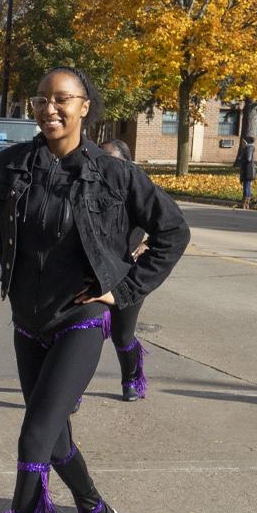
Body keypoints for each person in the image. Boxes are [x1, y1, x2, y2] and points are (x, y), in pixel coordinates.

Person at [0, 69, 189, 513]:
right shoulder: (10, 167)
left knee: (33, 436)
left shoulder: (114, 174)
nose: (50, 109)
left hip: (82, 317)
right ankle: (94, 510)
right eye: (41, 99)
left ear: (85, 107)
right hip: (28, 319)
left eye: (62, 100)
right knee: (55, 435)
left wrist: (124, 287)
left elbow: (172, 231)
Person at [99, 138, 151, 401]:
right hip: (94, 276)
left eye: (111, 160)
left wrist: (146, 245)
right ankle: (71, 389)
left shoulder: (138, 191)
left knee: (122, 335)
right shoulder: (88, 188)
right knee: (85, 333)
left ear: (126, 164)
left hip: (127, 277)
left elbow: (170, 227)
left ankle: (131, 378)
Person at [233, 135, 257, 209]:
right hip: (248, 169)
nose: (242, 142)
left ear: (247, 141)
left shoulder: (249, 148)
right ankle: (246, 203)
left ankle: (245, 203)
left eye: (244, 141)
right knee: (247, 186)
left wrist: (241, 158)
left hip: (247, 170)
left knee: (246, 186)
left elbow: (248, 158)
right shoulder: (249, 148)